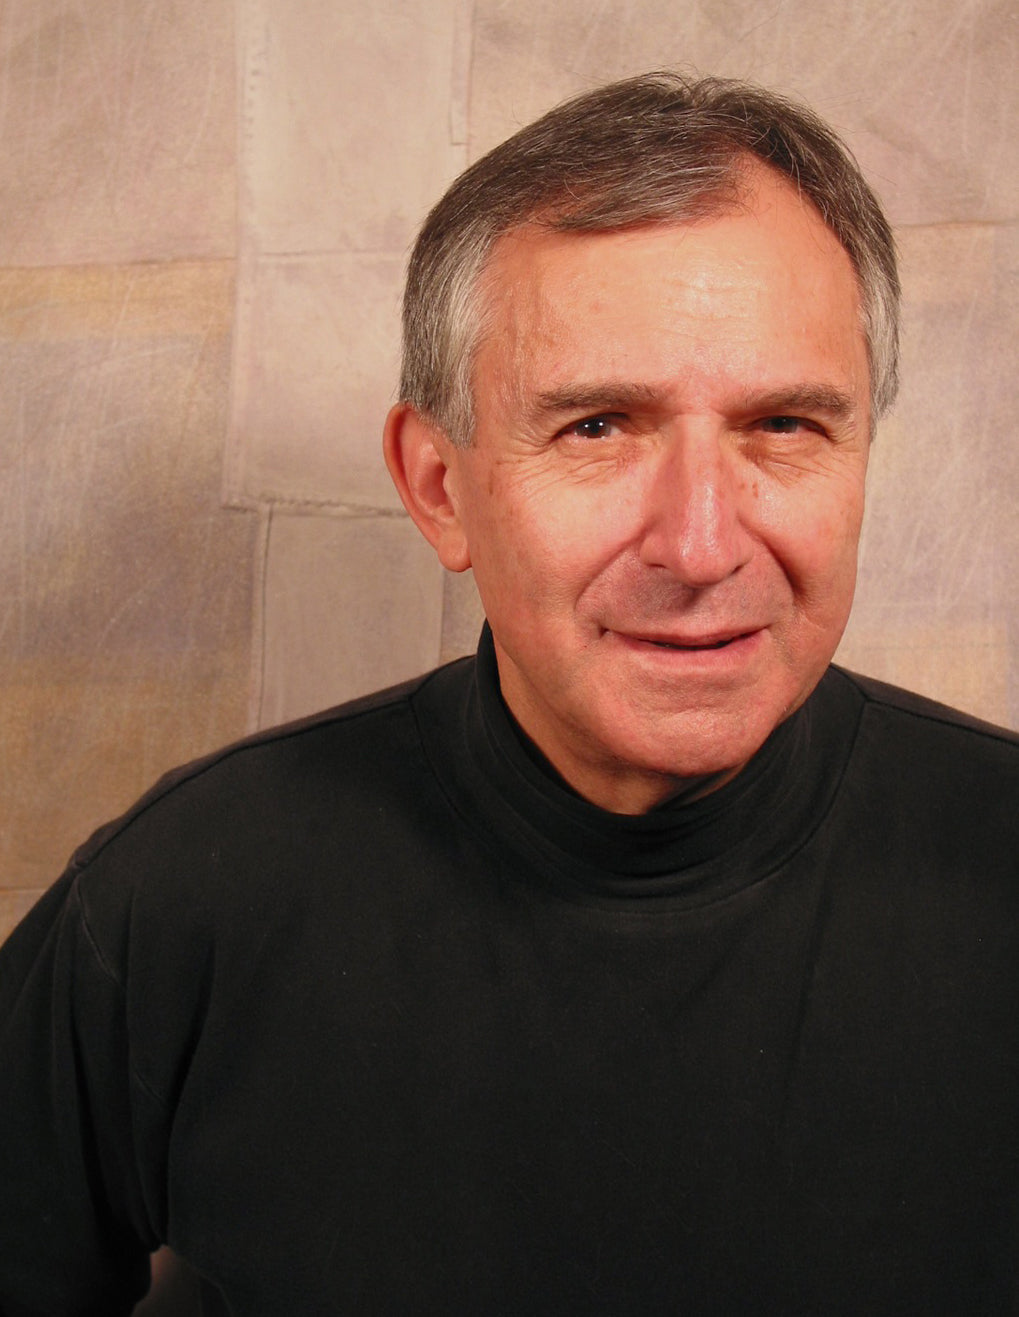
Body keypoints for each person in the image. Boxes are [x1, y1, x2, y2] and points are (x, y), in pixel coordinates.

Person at [1, 71, 1017, 1315]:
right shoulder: (178, 903)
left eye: (784, 426)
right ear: (439, 488)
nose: (700, 545)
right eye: (597, 427)